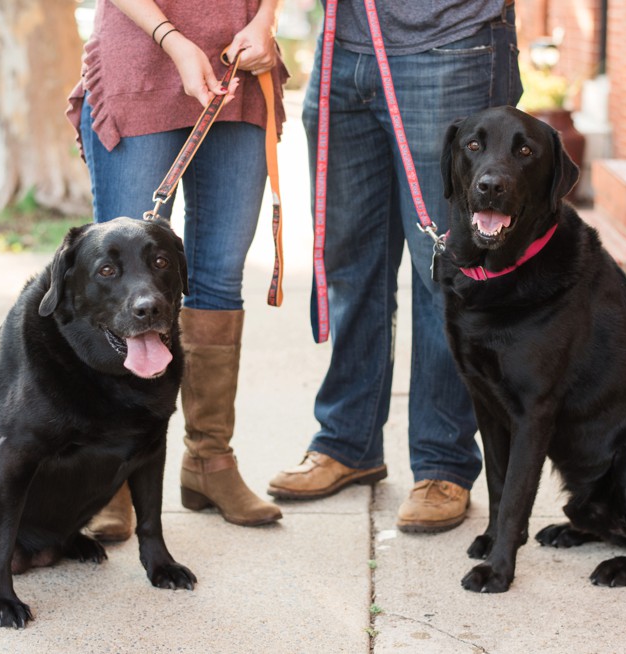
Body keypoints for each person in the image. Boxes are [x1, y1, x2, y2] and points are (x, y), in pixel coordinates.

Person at [267, 1, 523, 533]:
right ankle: (348, 441)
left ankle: (442, 462)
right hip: (343, 46)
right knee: (350, 263)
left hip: (448, 44)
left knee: (445, 269)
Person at [66, 0, 289, 533]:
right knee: (120, 282)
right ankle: (112, 476)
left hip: (240, 69)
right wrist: (172, 39)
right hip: (140, 64)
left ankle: (209, 462)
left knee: (219, 277)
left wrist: (265, 22)